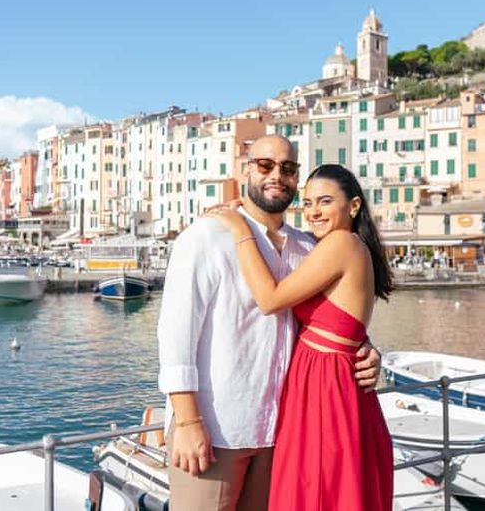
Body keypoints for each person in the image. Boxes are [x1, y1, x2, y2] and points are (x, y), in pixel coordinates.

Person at [157, 135, 381, 511]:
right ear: (246, 170)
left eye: (288, 168)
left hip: (281, 433)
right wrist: (188, 422)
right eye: (265, 165)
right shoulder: (205, 238)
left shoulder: (309, 247)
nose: (277, 175)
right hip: (216, 430)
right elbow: (175, 336)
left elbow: (333, 316)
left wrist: (366, 347)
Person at [209, 163, 394, 511]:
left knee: (320, 488)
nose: (313, 212)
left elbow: (270, 299)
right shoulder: (336, 246)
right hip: (327, 382)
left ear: (354, 206)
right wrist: (366, 344)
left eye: (325, 201)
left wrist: (240, 228)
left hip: (326, 386)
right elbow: (342, 321)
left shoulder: (341, 243)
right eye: (307, 203)